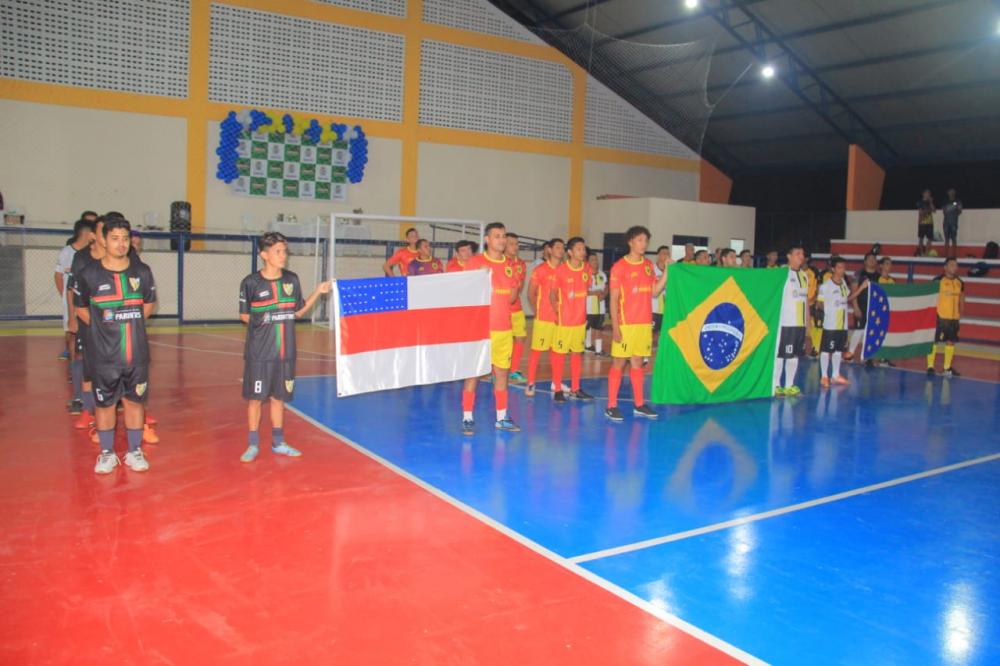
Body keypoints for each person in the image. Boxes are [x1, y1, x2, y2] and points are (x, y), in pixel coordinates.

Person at [73, 217, 157, 474]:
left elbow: (148, 306)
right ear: (103, 240)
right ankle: (107, 453)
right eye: (115, 238)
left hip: (136, 353)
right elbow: (81, 309)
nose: (121, 244)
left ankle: (134, 451)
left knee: (134, 402)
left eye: (124, 238)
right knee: (105, 404)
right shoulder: (88, 274)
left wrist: (124, 322)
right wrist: (105, 328)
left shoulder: (142, 272)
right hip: (103, 356)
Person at [238, 232, 332, 462]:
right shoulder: (250, 282)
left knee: (279, 398)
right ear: (264, 255)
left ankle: (278, 442)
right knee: (256, 399)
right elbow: (244, 315)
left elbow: (298, 311)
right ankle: (252, 444)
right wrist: (266, 320)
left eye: (284, 251)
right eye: (278, 251)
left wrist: (318, 292)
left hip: (285, 352)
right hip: (259, 353)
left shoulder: (292, 279)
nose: (283, 256)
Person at [461, 223, 520, 434]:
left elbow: (512, 298)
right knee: (473, 374)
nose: (502, 240)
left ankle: (501, 417)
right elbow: (463, 293)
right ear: (487, 239)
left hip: (504, 328)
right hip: (480, 329)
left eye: (504, 236)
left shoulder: (510, 265)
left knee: (502, 374)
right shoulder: (476, 262)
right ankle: (467, 417)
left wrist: (513, 288)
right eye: (497, 236)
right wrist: (479, 279)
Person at [605, 226, 668, 422]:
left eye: (646, 241)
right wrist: (616, 327)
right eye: (640, 240)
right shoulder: (619, 267)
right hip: (625, 324)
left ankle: (639, 404)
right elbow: (613, 299)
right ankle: (611, 406)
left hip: (643, 324)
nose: (644, 244)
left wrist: (667, 272)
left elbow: (655, 292)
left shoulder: (648, 265)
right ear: (630, 241)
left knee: (638, 363)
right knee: (619, 362)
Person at [69, 217, 108, 432]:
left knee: (119, 367)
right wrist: (72, 316)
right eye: (103, 232)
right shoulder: (81, 258)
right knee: (88, 367)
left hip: (113, 323)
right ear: (93, 235)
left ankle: (132, 408)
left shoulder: (118, 257)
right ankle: (87, 409)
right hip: (89, 320)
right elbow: (72, 290)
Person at [549, 237, 595, 403]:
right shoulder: (560, 270)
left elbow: (585, 289)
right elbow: (552, 294)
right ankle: (558, 389)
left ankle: (576, 388)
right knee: (559, 355)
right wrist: (557, 310)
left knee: (577, 354)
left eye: (584, 249)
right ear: (570, 252)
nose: (582, 252)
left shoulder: (587, 269)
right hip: (564, 321)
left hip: (580, 321)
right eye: (579, 249)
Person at [57, 219, 96, 410]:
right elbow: (67, 283)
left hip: (97, 314)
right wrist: (70, 309)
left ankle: (102, 397)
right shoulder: (76, 256)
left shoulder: (109, 256)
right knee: (77, 349)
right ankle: (79, 397)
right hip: (78, 307)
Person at [817, 257, 867, 388]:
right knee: (826, 350)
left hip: (842, 325)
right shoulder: (825, 286)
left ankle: (835, 375)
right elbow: (819, 303)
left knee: (838, 350)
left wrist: (861, 288)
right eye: (839, 267)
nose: (842, 270)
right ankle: (824, 376)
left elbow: (848, 299)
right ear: (833, 269)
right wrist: (829, 307)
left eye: (844, 267)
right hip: (831, 324)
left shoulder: (844, 283)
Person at [525, 238, 564, 397]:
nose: (561, 250)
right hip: (544, 319)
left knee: (558, 352)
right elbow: (530, 293)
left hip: (561, 320)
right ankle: (531, 383)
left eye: (563, 247)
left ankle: (556, 384)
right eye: (558, 247)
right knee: (536, 352)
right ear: (549, 250)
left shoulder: (565, 270)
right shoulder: (540, 270)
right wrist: (537, 310)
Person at [774, 244, 809, 396]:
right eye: (797, 253)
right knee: (781, 354)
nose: (801, 256)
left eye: (802, 254)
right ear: (789, 256)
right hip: (785, 322)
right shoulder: (782, 273)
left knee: (794, 355)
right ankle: (775, 386)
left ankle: (789, 385)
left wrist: (807, 322)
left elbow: (805, 300)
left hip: (799, 324)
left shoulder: (804, 275)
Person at [927, 257, 964, 377]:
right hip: (940, 317)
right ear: (945, 267)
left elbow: (962, 297)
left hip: (954, 318)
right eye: (952, 265)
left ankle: (947, 368)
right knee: (935, 341)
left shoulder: (960, 282)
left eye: (956, 265)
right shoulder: (938, 280)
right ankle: (930, 366)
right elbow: (931, 296)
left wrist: (961, 311)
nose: (955, 267)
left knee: (951, 342)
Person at [846, 252, 880, 366]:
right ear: (865, 261)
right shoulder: (859, 274)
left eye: (874, 259)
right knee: (859, 329)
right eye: (869, 259)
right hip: (861, 306)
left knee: (871, 332)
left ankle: (868, 356)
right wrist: (855, 307)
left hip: (874, 308)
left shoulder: (878, 276)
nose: (872, 261)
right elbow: (854, 290)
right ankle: (850, 353)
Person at [504, 233, 528, 383]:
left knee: (520, 337)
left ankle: (513, 370)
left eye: (516, 244)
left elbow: (519, 286)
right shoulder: (500, 262)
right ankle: (497, 371)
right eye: (511, 243)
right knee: (503, 340)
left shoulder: (521, 264)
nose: (515, 247)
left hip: (517, 307)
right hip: (502, 309)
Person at [585, 251, 608, 355]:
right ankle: (586, 346)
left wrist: (604, 294)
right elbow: (581, 291)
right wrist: (595, 292)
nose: (595, 262)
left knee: (599, 328)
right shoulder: (584, 275)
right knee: (585, 329)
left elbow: (606, 287)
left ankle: (598, 350)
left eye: (596, 259)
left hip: (600, 309)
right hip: (588, 308)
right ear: (587, 262)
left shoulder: (602, 274)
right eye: (592, 260)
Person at [652, 246, 670, 334]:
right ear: (658, 256)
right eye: (664, 253)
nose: (666, 256)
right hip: (653, 309)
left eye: (668, 254)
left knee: (663, 336)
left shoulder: (672, 271)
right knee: (652, 335)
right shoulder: (651, 269)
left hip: (667, 310)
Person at [942, 188, 962, 255]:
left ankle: (954, 254)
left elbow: (959, 211)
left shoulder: (957, 201)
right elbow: (944, 211)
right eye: (950, 192)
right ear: (948, 193)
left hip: (954, 222)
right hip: (946, 222)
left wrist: (953, 207)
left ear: (955, 192)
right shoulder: (945, 201)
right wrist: (953, 207)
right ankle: (945, 254)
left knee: (954, 238)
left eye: (953, 191)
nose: (951, 193)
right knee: (946, 239)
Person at [916, 189, 935, 256]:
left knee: (930, 238)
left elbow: (934, 210)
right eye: (927, 193)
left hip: (930, 223)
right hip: (922, 223)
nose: (928, 195)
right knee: (921, 238)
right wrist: (928, 211)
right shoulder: (920, 202)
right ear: (923, 194)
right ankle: (921, 253)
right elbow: (921, 212)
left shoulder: (930, 202)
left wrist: (931, 202)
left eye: (929, 193)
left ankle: (926, 253)